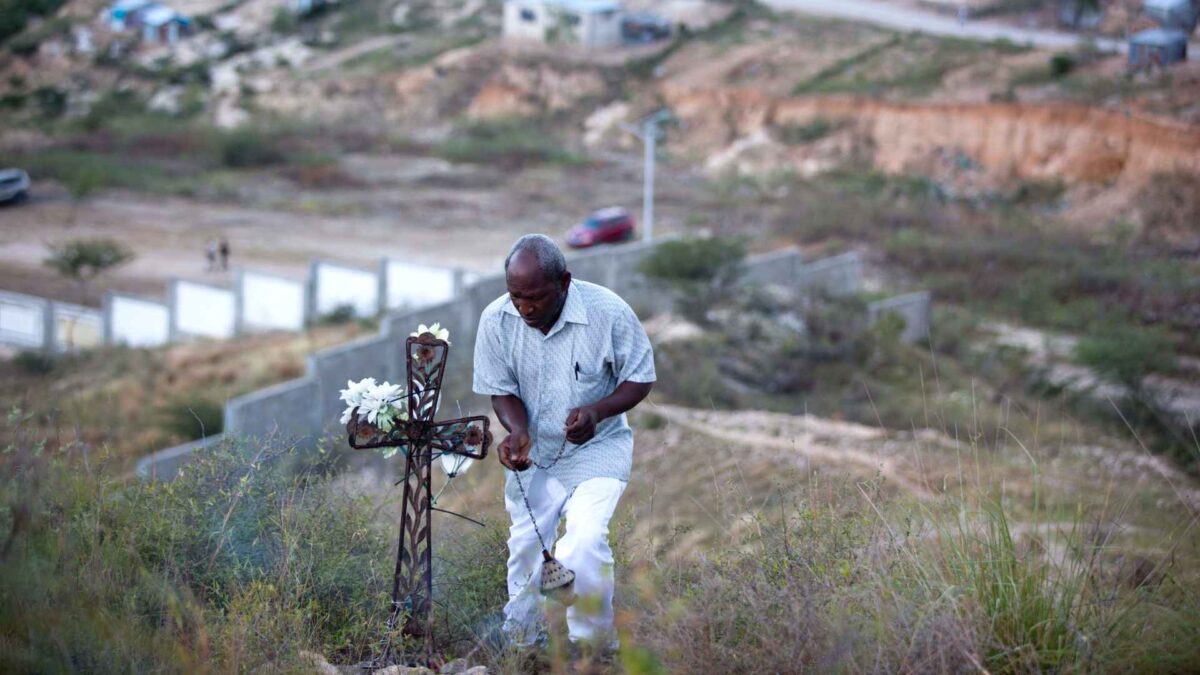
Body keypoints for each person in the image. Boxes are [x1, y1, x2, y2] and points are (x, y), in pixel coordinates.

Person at [473, 234, 655, 654]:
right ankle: (523, 642)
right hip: (535, 455)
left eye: (535, 297)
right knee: (525, 546)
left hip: (598, 448)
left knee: (584, 541)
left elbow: (640, 377)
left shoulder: (607, 312)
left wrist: (597, 411)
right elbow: (500, 390)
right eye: (516, 297)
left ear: (564, 282)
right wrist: (517, 432)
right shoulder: (496, 320)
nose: (526, 308)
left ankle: (591, 646)